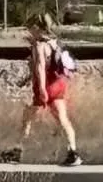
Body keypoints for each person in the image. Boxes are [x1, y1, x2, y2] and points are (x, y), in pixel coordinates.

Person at [20, 14, 81, 165]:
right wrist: (27, 79)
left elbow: (40, 67)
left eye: (30, 28)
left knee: (27, 118)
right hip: (59, 84)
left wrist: (41, 89)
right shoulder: (55, 43)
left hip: (45, 86)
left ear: (37, 28)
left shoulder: (39, 46)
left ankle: (17, 150)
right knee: (63, 119)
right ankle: (73, 153)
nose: (29, 32)